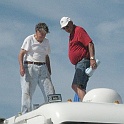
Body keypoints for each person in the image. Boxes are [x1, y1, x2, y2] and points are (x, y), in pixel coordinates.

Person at [18, 22, 55, 114]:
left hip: (43, 67)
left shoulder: (46, 42)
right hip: (30, 66)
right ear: (36, 32)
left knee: (50, 91)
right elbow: (21, 54)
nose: (42, 36)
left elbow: (46, 56)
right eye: (41, 34)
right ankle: (25, 113)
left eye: (44, 34)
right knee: (27, 91)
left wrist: (49, 70)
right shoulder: (29, 39)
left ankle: (51, 110)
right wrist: (21, 67)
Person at [60, 17, 97, 101]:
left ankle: (87, 105)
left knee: (76, 85)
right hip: (79, 63)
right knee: (80, 86)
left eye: (67, 26)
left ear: (71, 23)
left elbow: (90, 44)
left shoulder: (79, 30)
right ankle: (85, 102)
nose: (66, 29)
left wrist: (92, 58)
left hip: (83, 62)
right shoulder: (72, 34)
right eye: (64, 28)